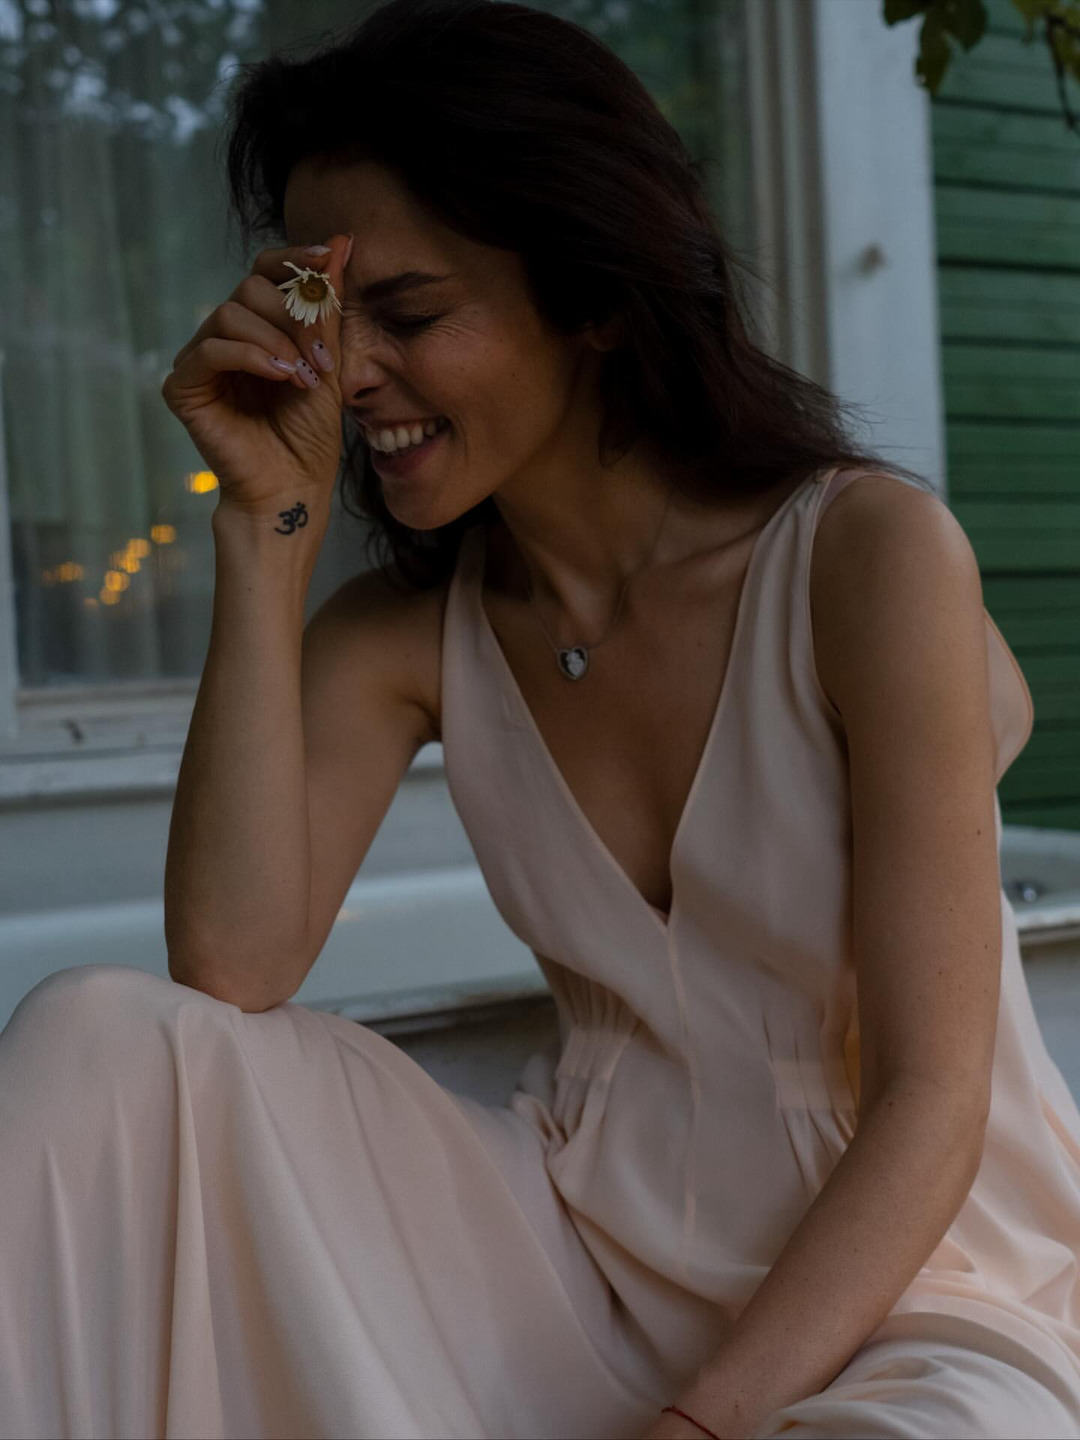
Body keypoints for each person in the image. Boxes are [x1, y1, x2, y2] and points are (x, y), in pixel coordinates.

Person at [2, 1, 1079, 1436]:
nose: (346, 374)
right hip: (575, 1256)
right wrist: (265, 526)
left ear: (593, 297)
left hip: (928, 1287)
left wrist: (701, 1425)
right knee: (96, 1037)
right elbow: (232, 964)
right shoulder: (405, 636)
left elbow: (935, 1098)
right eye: (322, 317)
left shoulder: (864, 556)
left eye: (407, 313)